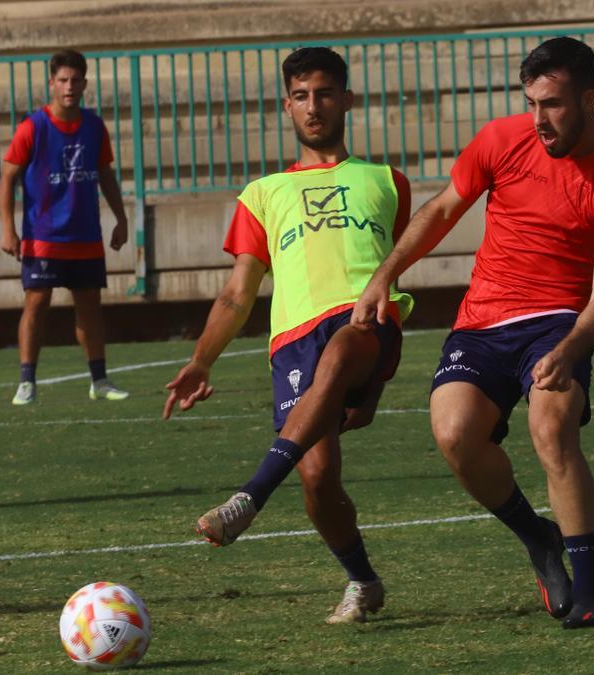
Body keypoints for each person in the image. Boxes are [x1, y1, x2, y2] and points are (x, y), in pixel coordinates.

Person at [353, 37, 594, 629]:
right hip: (484, 320)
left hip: (559, 323)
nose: (539, 119)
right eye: (531, 102)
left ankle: (590, 593)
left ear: (589, 99)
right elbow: (440, 210)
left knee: (551, 425)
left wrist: (568, 350)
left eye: (554, 104)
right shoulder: (501, 140)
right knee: (455, 434)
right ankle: (539, 539)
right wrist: (385, 274)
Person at [163, 47, 412, 624]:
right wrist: (202, 361)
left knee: (346, 348)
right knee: (320, 479)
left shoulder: (386, 182)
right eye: (301, 96)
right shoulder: (263, 193)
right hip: (294, 341)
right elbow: (236, 294)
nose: (313, 106)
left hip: (362, 319)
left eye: (324, 93)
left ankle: (250, 495)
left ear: (347, 99)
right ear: (286, 106)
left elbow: (391, 272)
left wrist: (374, 386)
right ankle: (363, 580)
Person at [0, 49, 129, 405]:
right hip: (43, 237)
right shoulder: (33, 127)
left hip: (85, 235)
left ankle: (99, 380)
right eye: (63, 80)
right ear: (51, 84)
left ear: (84, 83)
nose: (69, 86)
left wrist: (121, 217)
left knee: (90, 307)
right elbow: (7, 176)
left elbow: (105, 173)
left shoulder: (93, 126)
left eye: (75, 80)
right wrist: (8, 229)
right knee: (36, 305)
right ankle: (27, 381)